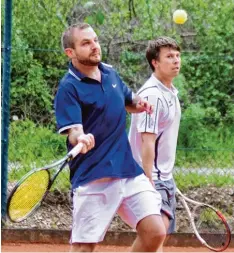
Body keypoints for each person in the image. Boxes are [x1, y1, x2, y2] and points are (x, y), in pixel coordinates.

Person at [54, 23, 166, 252]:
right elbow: (73, 131)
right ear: (70, 52)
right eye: (86, 43)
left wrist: (139, 104)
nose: (94, 46)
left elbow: (127, 100)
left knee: (155, 232)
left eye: (95, 40)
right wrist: (81, 137)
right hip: (93, 175)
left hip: (127, 170)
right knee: (85, 247)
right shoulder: (69, 88)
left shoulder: (109, 73)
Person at [129, 36, 182, 251]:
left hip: (164, 177)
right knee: (154, 236)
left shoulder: (170, 92)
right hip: (152, 178)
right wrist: (148, 180)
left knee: (157, 238)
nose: (176, 61)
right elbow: (147, 140)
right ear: (155, 62)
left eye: (178, 56)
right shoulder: (152, 94)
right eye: (169, 57)